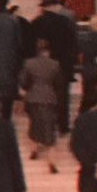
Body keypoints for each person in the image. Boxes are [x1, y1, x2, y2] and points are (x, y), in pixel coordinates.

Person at [32, 0, 78, 134]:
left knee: (45, 94)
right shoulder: (65, 21)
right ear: (54, 6)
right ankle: (63, 125)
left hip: (44, 63)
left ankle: (47, 125)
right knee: (62, 94)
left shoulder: (37, 22)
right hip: (63, 63)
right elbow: (72, 43)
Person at [19, 40, 64, 174]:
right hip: (49, 97)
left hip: (33, 97)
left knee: (34, 123)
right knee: (49, 128)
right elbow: (59, 83)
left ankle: (34, 150)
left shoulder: (29, 63)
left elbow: (23, 82)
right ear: (48, 51)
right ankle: (52, 162)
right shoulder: (55, 64)